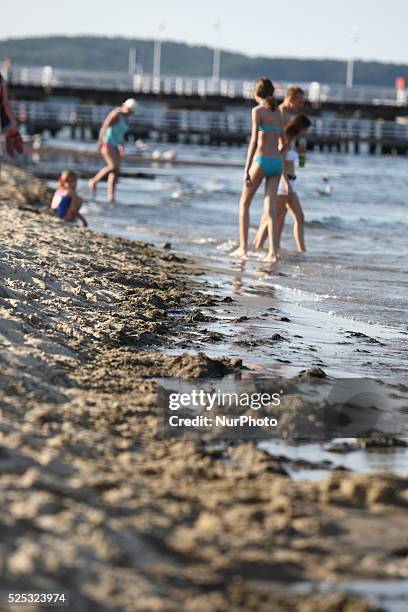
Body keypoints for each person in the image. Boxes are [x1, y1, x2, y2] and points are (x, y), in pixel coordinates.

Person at [230, 77, 286, 262]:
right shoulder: (279, 112)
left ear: (257, 93)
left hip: (261, 161)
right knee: (270, 210)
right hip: (277, 163)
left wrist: (246, 169)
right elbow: (283, 143)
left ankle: (243, 249)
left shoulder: (258, 111)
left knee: (244, 204)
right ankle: (273, 253)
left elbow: (254, 141)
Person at [255, 108, 311, 253]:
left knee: (299, 217)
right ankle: (258, 246)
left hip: (291, 181)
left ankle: (301, 251)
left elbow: (301, 165)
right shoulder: (285, 137)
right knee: (273, 217)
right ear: (300, 127)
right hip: (282, 182)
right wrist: (286, 183)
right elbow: (279, 160)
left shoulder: (293, 141)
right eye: (306, 129)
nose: (307, 132)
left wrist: (301, 154)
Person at [88, 98, 137, 203]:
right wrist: (100, 142)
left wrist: (121, 147)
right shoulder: (116, 114)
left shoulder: (125, 118)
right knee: (112, 166)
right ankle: (94, 181)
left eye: (131, 112)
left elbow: (120, 134)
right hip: (107, 143)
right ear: (125, 106)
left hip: (116, 145)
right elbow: (104, 127)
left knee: (116, 171)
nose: (130, 113)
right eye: (129, 110)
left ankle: (111, 196)